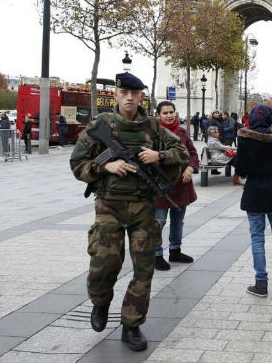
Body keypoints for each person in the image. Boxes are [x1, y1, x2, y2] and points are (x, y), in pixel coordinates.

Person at [69, 72, 188, 352]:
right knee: (104, 265)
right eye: (125, 93)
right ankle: (100, 303)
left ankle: (131, 324)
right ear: (117, 95)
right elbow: (77, 164)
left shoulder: (153, 127)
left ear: (142, 96)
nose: (130, 98)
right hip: (108, 206)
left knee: (144, 269)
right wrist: (104, 166)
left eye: (135, 94)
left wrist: (158, 155)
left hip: (143, 208)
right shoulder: (101, 125)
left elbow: (182, 152)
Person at [234, 104, 272, 297]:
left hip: (254, 193)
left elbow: (241, 169)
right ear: (271, 118)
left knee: (257, 238)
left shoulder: (245, 139)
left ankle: (261, 284)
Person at [154, 101, 198, 271]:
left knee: (177, 222)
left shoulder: (182, 132)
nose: (169, 115)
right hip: (160, 186)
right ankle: (157, 255)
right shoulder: (152, 133)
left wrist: (190, 167)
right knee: (159, 221)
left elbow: (193, 153)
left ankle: (175, 251)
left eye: (171, 112)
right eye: (165, 113)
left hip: (181, 184)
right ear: (158, 115)